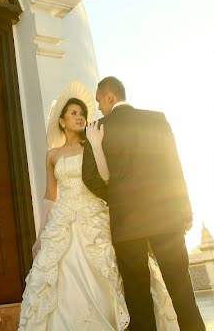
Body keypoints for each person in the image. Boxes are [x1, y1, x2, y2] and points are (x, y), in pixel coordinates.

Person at [18, 82, 179, 331]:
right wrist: (41, 234)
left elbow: (106, 178)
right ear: (61, 121)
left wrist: (95, 145)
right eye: (73, 113)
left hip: (95, 215)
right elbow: (50, 194)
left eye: (82, 113)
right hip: (63, 220)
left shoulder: (93, 143)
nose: (80, 116)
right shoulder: (52, 155)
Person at [82, 76, 206, 331]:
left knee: (137, 296)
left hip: (126, 225)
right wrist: (185, 210)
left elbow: (90, 176)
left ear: (110, 97)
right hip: (167, 217)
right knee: (182, 291)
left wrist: (114, 195)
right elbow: (175, 167)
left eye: (99, 102)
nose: (99, 108)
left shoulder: (98, 129)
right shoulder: (156, 120)